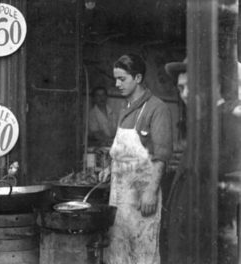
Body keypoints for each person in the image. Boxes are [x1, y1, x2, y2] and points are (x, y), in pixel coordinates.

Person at [164, 58, 241, 264]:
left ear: (214, 86)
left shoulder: (229, 123)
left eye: (193, 86)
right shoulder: (204, 124)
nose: (186, 94)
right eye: (181, 88)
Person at [102, 53, 173, 264]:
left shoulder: (157, 108)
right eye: (115, 79)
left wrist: (151, 192)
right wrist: (110, 168)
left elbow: (161, 156)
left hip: (142, 198)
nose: (117, 84)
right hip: (119, 197)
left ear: (138, 78)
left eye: (122, 79)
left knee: (142, 253)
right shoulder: (124, 110)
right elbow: (121, 150)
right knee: (118, 251)